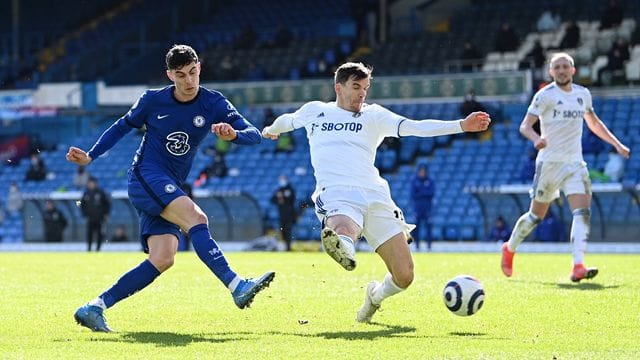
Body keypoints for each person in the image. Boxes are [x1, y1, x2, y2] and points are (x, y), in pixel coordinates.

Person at [66, 44, 274, 332]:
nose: (188, 81)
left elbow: (254, 135)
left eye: (192, 72)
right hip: (146, 176)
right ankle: (237, 285)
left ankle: (94, 307)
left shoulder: (214, 103)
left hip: (169, 182)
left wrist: (234, 133)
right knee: (197, 219)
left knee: (163, 258)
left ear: (199, 67)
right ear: (169, 75)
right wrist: (91, 155)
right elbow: (121, 126)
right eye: (180, 75)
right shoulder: (153, 100)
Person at [262, 62, 490, 323]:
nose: (362, 94)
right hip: (337, 192)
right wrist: (271, 130)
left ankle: (375, 296)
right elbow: (287, 121)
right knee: (343, 225)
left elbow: (416, 127)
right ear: (339, 87)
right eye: (356, 87)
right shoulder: (316, 111)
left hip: (376, 195)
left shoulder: (375, 116)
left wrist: (461, 125)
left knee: (404, 276)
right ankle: (343, 245)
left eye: (366, 88)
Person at [501, 52, 630, 283]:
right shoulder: (545, 95)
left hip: (574, 163)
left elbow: (594, 123)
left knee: (582, 212)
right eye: (556, 67)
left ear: (573, 70)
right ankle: (509, 249)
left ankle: (578, 265)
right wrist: (536, 138)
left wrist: (617, 144)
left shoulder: (583, 94)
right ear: (551, 72)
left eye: (565, 66)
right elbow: (525, 126)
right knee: (535, 216)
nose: (561, 70)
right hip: (549, 163)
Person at [80, 177, 111, 252]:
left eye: (92, 183)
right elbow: (81, 204)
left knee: (99, 233)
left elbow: (107, 204)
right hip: (90, 218)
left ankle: (98, 249)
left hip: (99, 218)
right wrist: (84, 214)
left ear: (95, 183)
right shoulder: (85, 194)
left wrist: (106, 213)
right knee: (89, 233)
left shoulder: (101, 193)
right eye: (89, 183)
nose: (91, 184)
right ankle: (89, 248)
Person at [409, 163, 435, 251]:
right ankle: (417, 246)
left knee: (429, 227)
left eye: (424, 171)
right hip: (417, 208)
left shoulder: (430, 181)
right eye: (421, 171)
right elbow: (413, 194)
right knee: (416, 227)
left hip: (427, 208)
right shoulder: (414, 181)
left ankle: (429, 246)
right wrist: (424, 192)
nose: (422, 173)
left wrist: (420, 191)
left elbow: (431, 193)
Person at [270, 174, 296, 251]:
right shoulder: (279, 190)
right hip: (281, 215)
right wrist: (278, 198)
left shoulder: (290, 189)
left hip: (289, 215)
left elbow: (292, 199)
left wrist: (283, 197)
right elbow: (272, 199)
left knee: (288, 231)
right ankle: (286, 246)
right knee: (283, 231)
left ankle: (289, 247)